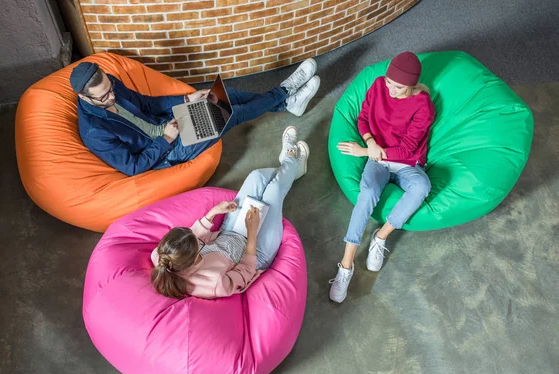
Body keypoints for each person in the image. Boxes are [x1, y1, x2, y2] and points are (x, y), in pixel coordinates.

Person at [69, 58, 320, 176]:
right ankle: (284, 92)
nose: (111, 96)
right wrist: (166, 139)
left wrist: (186, 99)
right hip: (168, 150)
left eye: (110, 89)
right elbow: (133, 167)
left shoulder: (108, 83)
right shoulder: (94, 131)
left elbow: (146, 103)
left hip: (168, 121)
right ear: (84, 97)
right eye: (103, 97)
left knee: (225, 94)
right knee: (232, 112)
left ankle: (285, 103)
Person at [150, 126, 309, 299]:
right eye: (198, 244)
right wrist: (252, 232)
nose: (198, 237)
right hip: (256, 253)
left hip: (228, 233)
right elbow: (246, 271)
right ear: (194, 258)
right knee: (274, 190)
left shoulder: (162, 256)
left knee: (256, 177)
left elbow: (191, 237)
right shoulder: (214, 284)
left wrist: (213, 212)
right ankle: (291, 160)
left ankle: (292, 169)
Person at [329, 52, 436, 303]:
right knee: (367, 193)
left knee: (422, 186)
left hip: (406, 162)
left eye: (398, 87)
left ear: (411, 86)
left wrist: (364, 151)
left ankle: (381, 237)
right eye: (389, 82)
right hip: (378, 159)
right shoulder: (378, 85)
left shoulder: (423, 106)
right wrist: (369, 142)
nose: (391, 90)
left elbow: (408, 149)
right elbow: (363, 117)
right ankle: (346, 265)